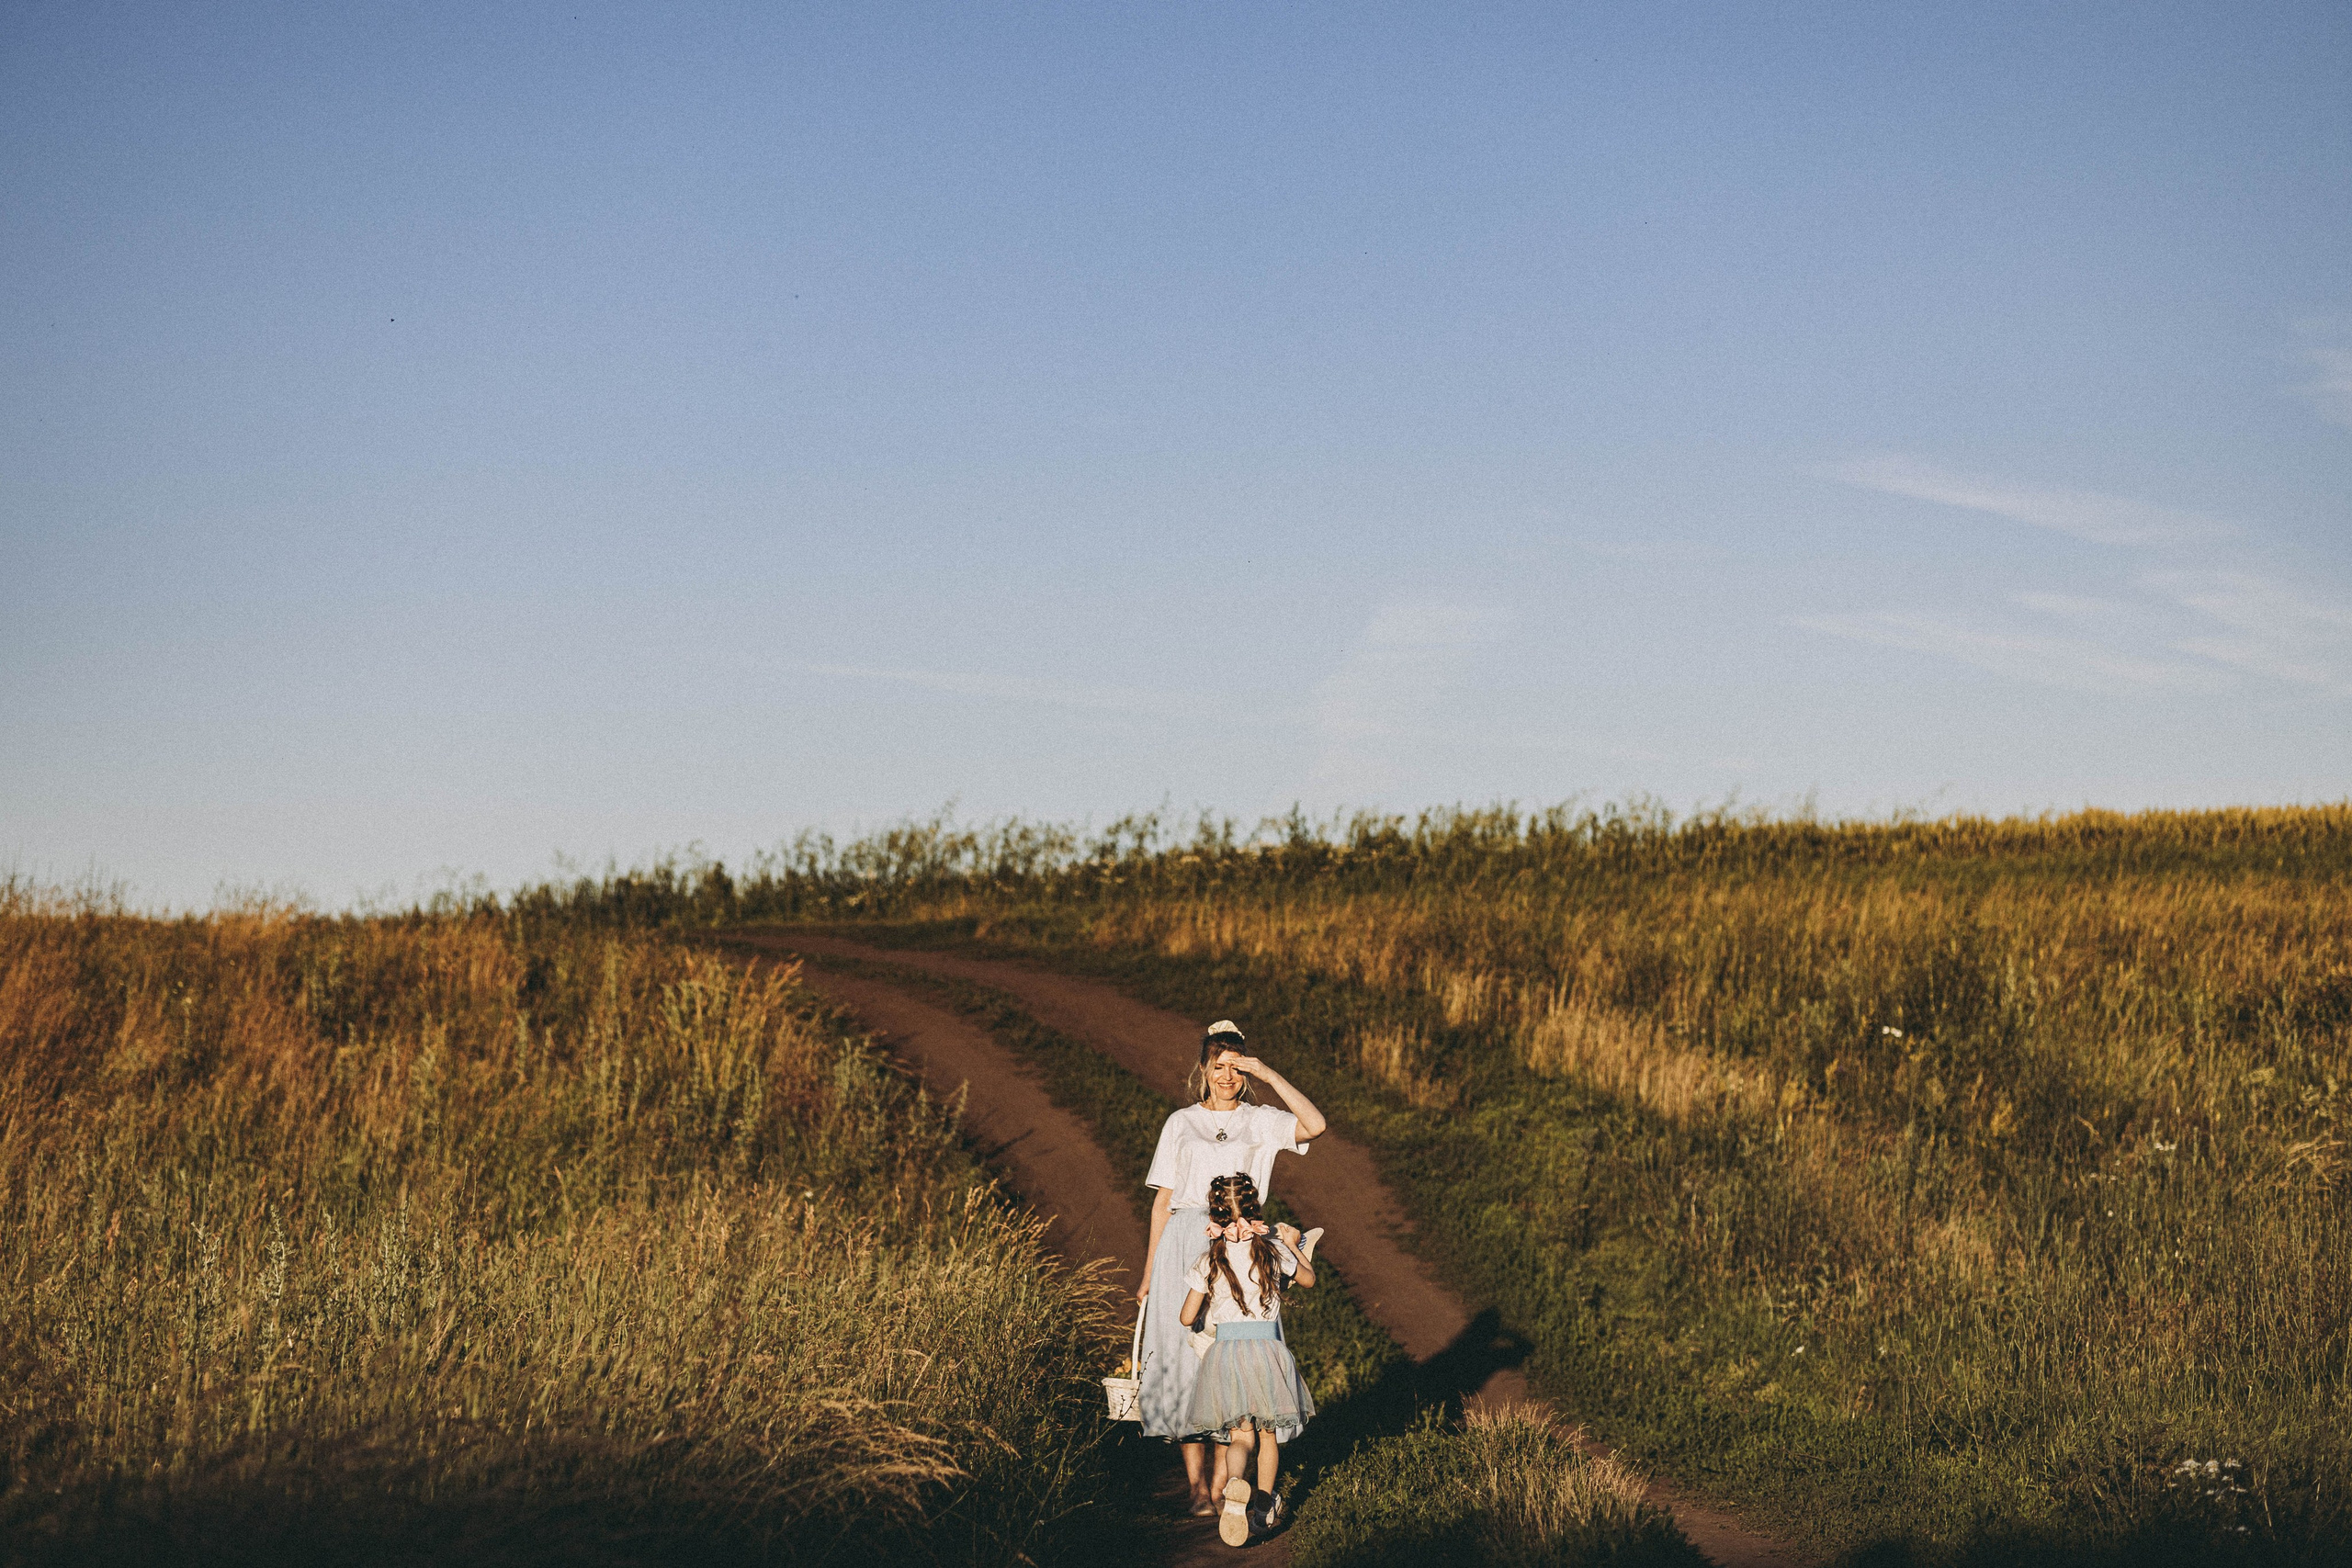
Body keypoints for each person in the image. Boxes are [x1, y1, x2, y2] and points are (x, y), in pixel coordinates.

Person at [1136, 1020, 1328, 1517]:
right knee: (1185, 1359)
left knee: (1236, 1358)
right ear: (1202, 1068)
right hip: (1186, 1242)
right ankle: (1197, 1485)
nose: (1226, 1076)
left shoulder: (1261, 1119)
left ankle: (1228, 1481)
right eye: (1218, 1066)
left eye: (1236, 1068)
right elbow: (1163, 1203)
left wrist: (1267, 1073)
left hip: (1245, 1245)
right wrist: (1148, 1274)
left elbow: (1315, 1125)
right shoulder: (1180, 1122)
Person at [1181, 1172, 1317, 1544]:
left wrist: (1213, 1299)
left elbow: (1186, 1317)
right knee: (1268, 1436)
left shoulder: (1208, 1260)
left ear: (1215, 1216)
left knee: (1240, 1437)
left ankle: (1235, 1484)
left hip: (1226, 1355)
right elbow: (1308, 1279)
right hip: (1267, 1353)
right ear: (1255, 1210)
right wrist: (1293, 1243)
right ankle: (1260, 1512)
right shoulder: (1271, 1252)